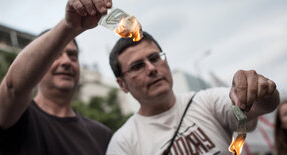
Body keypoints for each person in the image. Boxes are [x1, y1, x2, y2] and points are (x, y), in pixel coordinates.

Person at [106, 31, 280, 155]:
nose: (151, 68)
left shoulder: (206, 102)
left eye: (154, 58)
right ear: (122, 84)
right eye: (137, 66)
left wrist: (259, 90)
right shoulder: (123, 143)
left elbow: (260, 106)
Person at [0, 0, 113, 154]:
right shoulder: (18, 116)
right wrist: (69, 26)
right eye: (56, 55)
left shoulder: (102, 135)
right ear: (39, 64)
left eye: (73, 55)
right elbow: (13, 87)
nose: (66, 62)